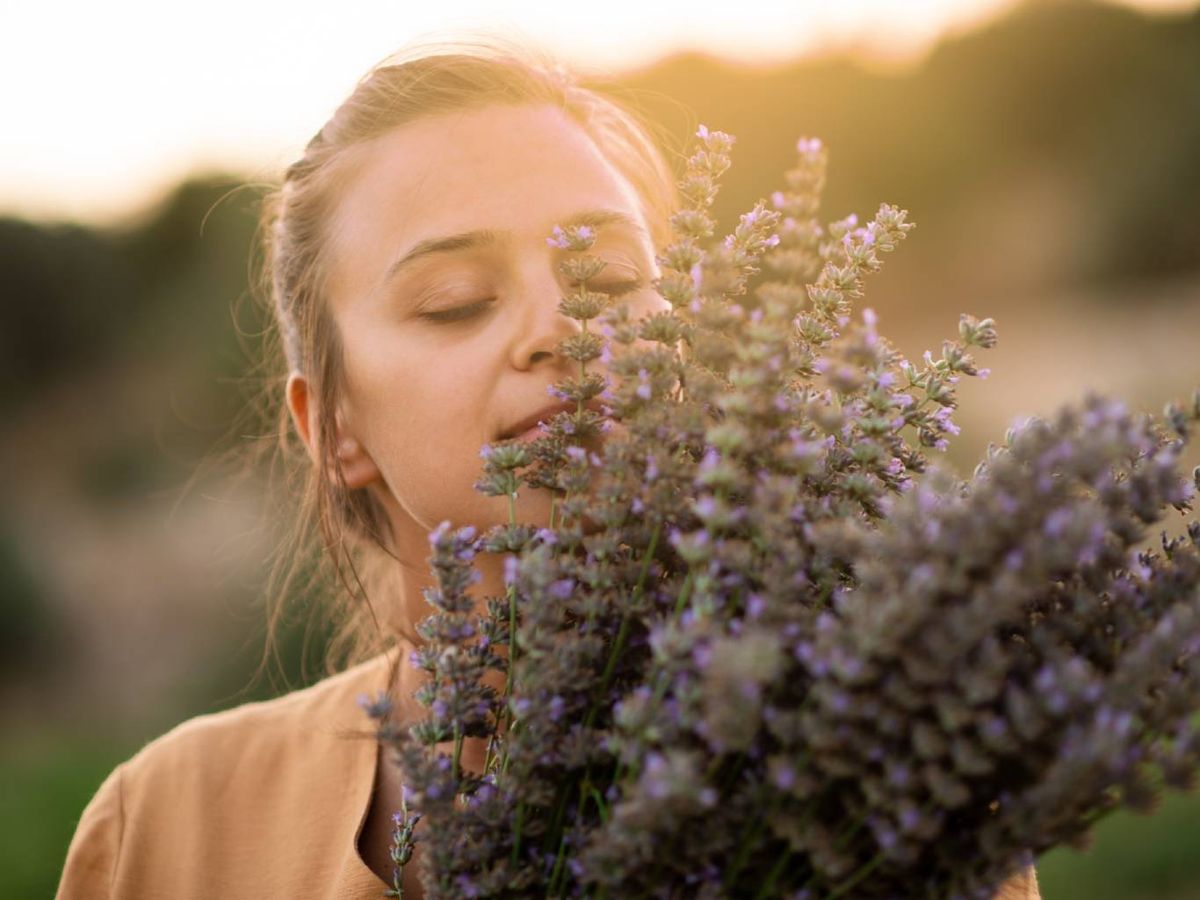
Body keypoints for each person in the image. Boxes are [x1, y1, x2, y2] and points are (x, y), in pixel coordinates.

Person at [55, 35, 1040, 900]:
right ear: (333, 428)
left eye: (611, 279)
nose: (564, 328)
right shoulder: (167, 830)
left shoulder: (879, 772)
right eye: (455, 300)